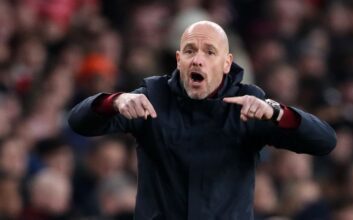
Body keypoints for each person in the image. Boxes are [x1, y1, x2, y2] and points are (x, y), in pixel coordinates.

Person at [68, 21, 336, 220]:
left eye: (209, 52)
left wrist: (278, 113)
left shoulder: (249, 104)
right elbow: (79, 123)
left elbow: (324, 141)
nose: (198, 60)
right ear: (178, 59)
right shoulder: (153, 96)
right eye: (189, 51)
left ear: (227, 63)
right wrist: (113, 101)